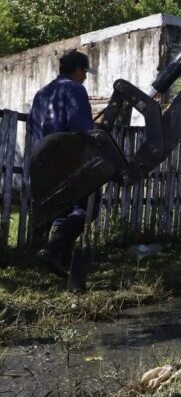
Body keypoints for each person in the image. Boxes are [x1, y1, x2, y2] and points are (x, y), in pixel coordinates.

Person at [27, 50, 97, 277]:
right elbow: (81, 129)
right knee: (85, 209)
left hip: (43, 162)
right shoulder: (75, 89)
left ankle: (61, 260)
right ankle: (51, 250)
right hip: (68, 159)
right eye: (84, 72)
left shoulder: (41, 93)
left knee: (61, 209)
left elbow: (32, 129)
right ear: (77, 71)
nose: (85, 77)